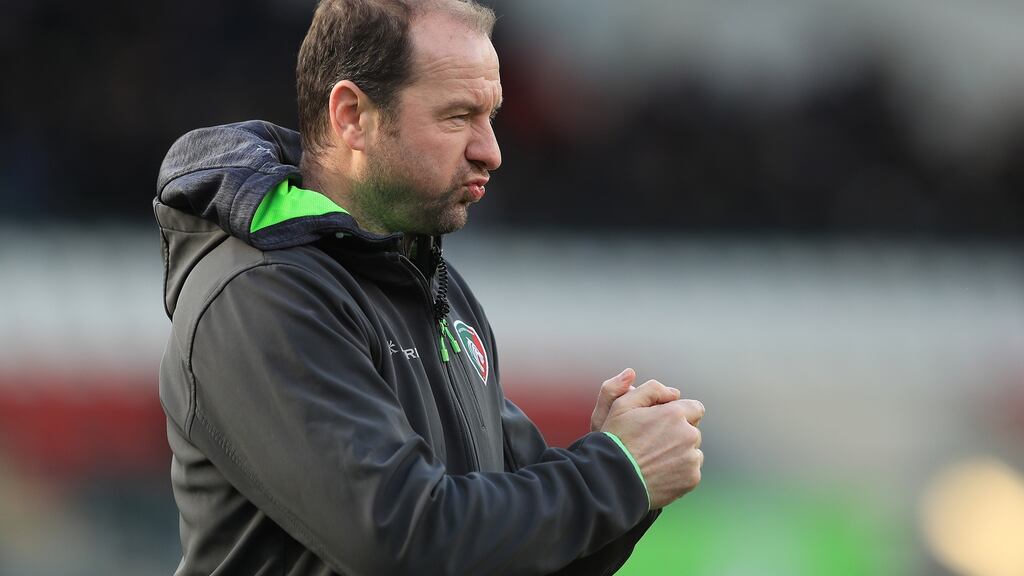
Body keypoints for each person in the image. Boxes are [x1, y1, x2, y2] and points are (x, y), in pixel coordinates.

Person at [154, 0, 705, 574]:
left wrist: (628, 469)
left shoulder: (434, 285)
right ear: (351, 116)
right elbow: (403, 539)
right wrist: (617, 472)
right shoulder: (260, 296)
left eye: (490, 117)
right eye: (458, 117)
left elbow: (513, 554)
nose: (489, 150)